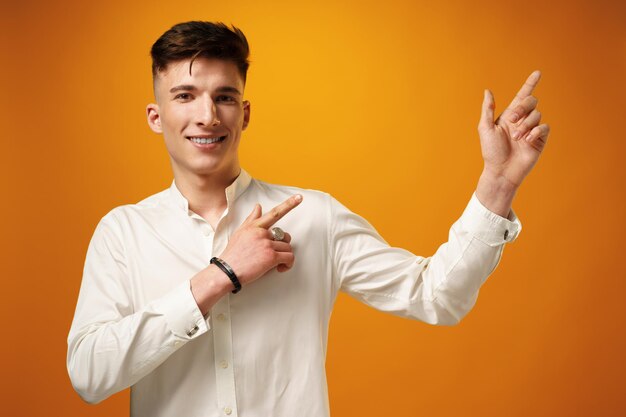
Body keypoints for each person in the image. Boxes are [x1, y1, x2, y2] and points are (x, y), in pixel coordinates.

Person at [67, 21, 550, 417]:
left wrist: (498, 183)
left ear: (245, 112)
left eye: (225, 97)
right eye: (186, 96)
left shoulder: (315, 216)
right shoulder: (122, 232)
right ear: (156, 116)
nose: (208, 116)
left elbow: (437, 297)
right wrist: (220, 276)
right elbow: (89, 375)